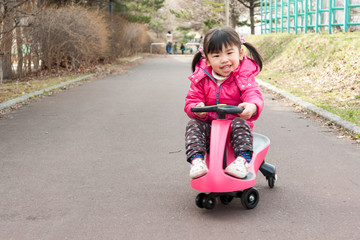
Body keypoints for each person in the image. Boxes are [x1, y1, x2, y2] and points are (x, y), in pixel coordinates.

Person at [184, 27, 264, 179]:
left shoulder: (244, 77)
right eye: (216, 55)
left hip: (235, 130)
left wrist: (252, 106)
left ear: (240, 54)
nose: (224, 59)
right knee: (193, 125)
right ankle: (197, 161)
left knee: (240, 123)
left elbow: (253, 94)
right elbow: (192, 101)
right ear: (207, 59)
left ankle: (242, 161)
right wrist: (197, 109)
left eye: (229, 53)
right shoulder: (201, 78)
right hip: (210, 130)